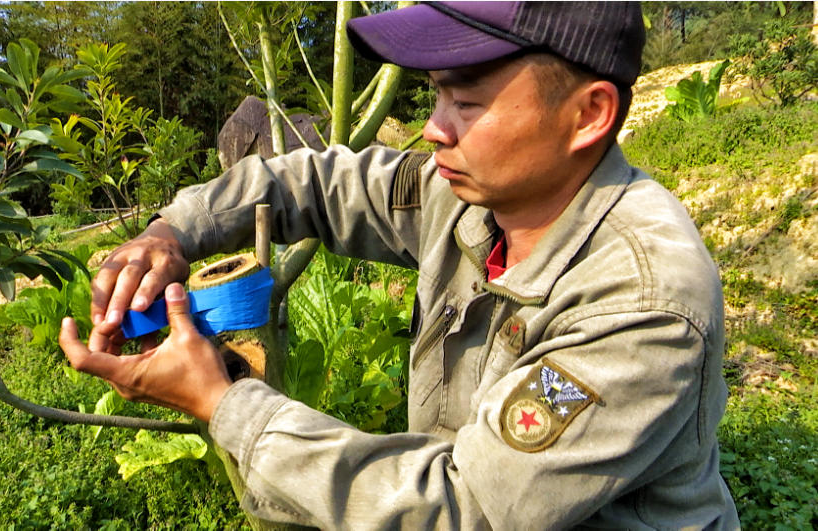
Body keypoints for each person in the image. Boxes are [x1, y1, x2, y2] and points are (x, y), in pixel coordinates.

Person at [59, 2, 740, 529]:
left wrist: (222, 403)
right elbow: (318, 183)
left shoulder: (641, 302)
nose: (434, 128)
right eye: (436, 96)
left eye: (466, 102)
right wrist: (172, 232)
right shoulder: (469, 197)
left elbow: (463, 510)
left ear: (587, 113)